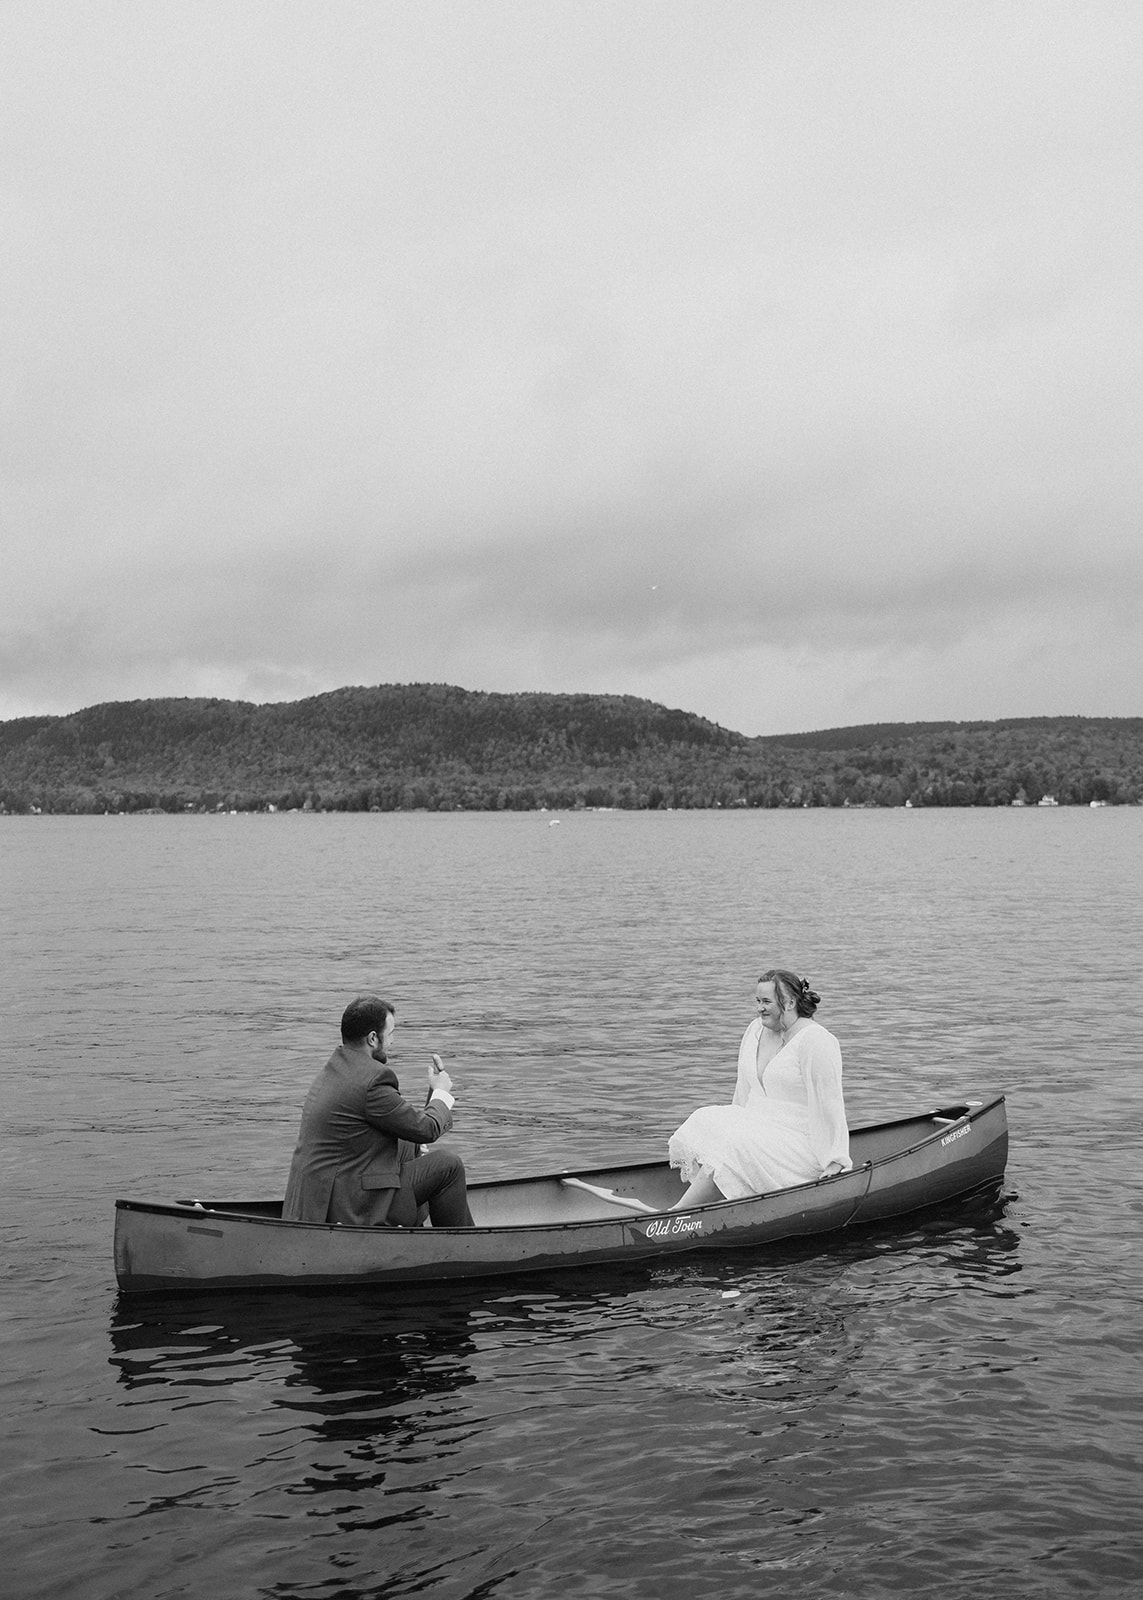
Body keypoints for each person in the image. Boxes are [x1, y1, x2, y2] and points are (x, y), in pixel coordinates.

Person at [283, 995, 474, 1227]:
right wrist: (442, 1093)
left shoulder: (335, 1070)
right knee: (448, 1165)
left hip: (318, 1200)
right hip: (349, 1206)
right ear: (373, 1038)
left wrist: (433, 1096)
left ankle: (413, 1236)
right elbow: (427, 1129)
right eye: (391, 1033)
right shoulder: (373, 1081)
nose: (393, 1041)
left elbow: (408, 1126)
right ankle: (460, 1248)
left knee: (408, 1145)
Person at [668, 968, 851, 1209]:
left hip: (797, 1143)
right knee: (704, 1119)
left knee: (731, 1144)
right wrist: (731, 1126)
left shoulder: (816, 1041)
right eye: (758, 1001)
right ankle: (723, 1190)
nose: (759, 1008)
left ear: (790, 1002)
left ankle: (676, 1213)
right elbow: (743, 1089)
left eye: (766, 1001)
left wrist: (835, 1161)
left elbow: (830, 1105)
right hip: (759, 1128)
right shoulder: (756, 1030)